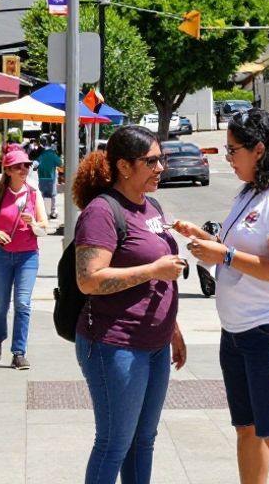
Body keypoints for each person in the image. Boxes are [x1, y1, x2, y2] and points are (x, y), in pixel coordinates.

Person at [180, 109, 269, 484]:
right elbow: (238, 250)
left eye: (232, 150)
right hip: (238, 331)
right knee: (247, 428)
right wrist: (208, 241)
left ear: (259, 149)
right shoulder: (250, 191)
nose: (228, 158)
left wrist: (222, 254)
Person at [72, 125, 188, 484]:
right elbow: (88, 279)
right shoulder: (101, 212)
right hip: (115, 344)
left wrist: (173, 329)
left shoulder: (151, 205)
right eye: (151, 161)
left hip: (154, 343)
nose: (160, 168)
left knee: (144, 440)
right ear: (124, 166)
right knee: (114, 443)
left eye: (161, 159)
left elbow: (161, 280)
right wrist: (153, 269)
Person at [0, 148, 47, 370]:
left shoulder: (34, 193)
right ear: (7, 170)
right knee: (0, 305)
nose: (24, 169)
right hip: (1, 255)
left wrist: (33, 222)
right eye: (18, 166)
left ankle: (18, 352)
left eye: (26, 165)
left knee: (23, 303)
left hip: (28, 256)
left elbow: (45, 226)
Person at [35, 140, 63, 221]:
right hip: (51, 178)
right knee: (53, 196)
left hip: (42, 178)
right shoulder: (53, 155)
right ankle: (53, 211)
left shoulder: (42, 155)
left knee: (42, 196)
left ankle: (42, 212)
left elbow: (35, 164)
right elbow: (60, 163)